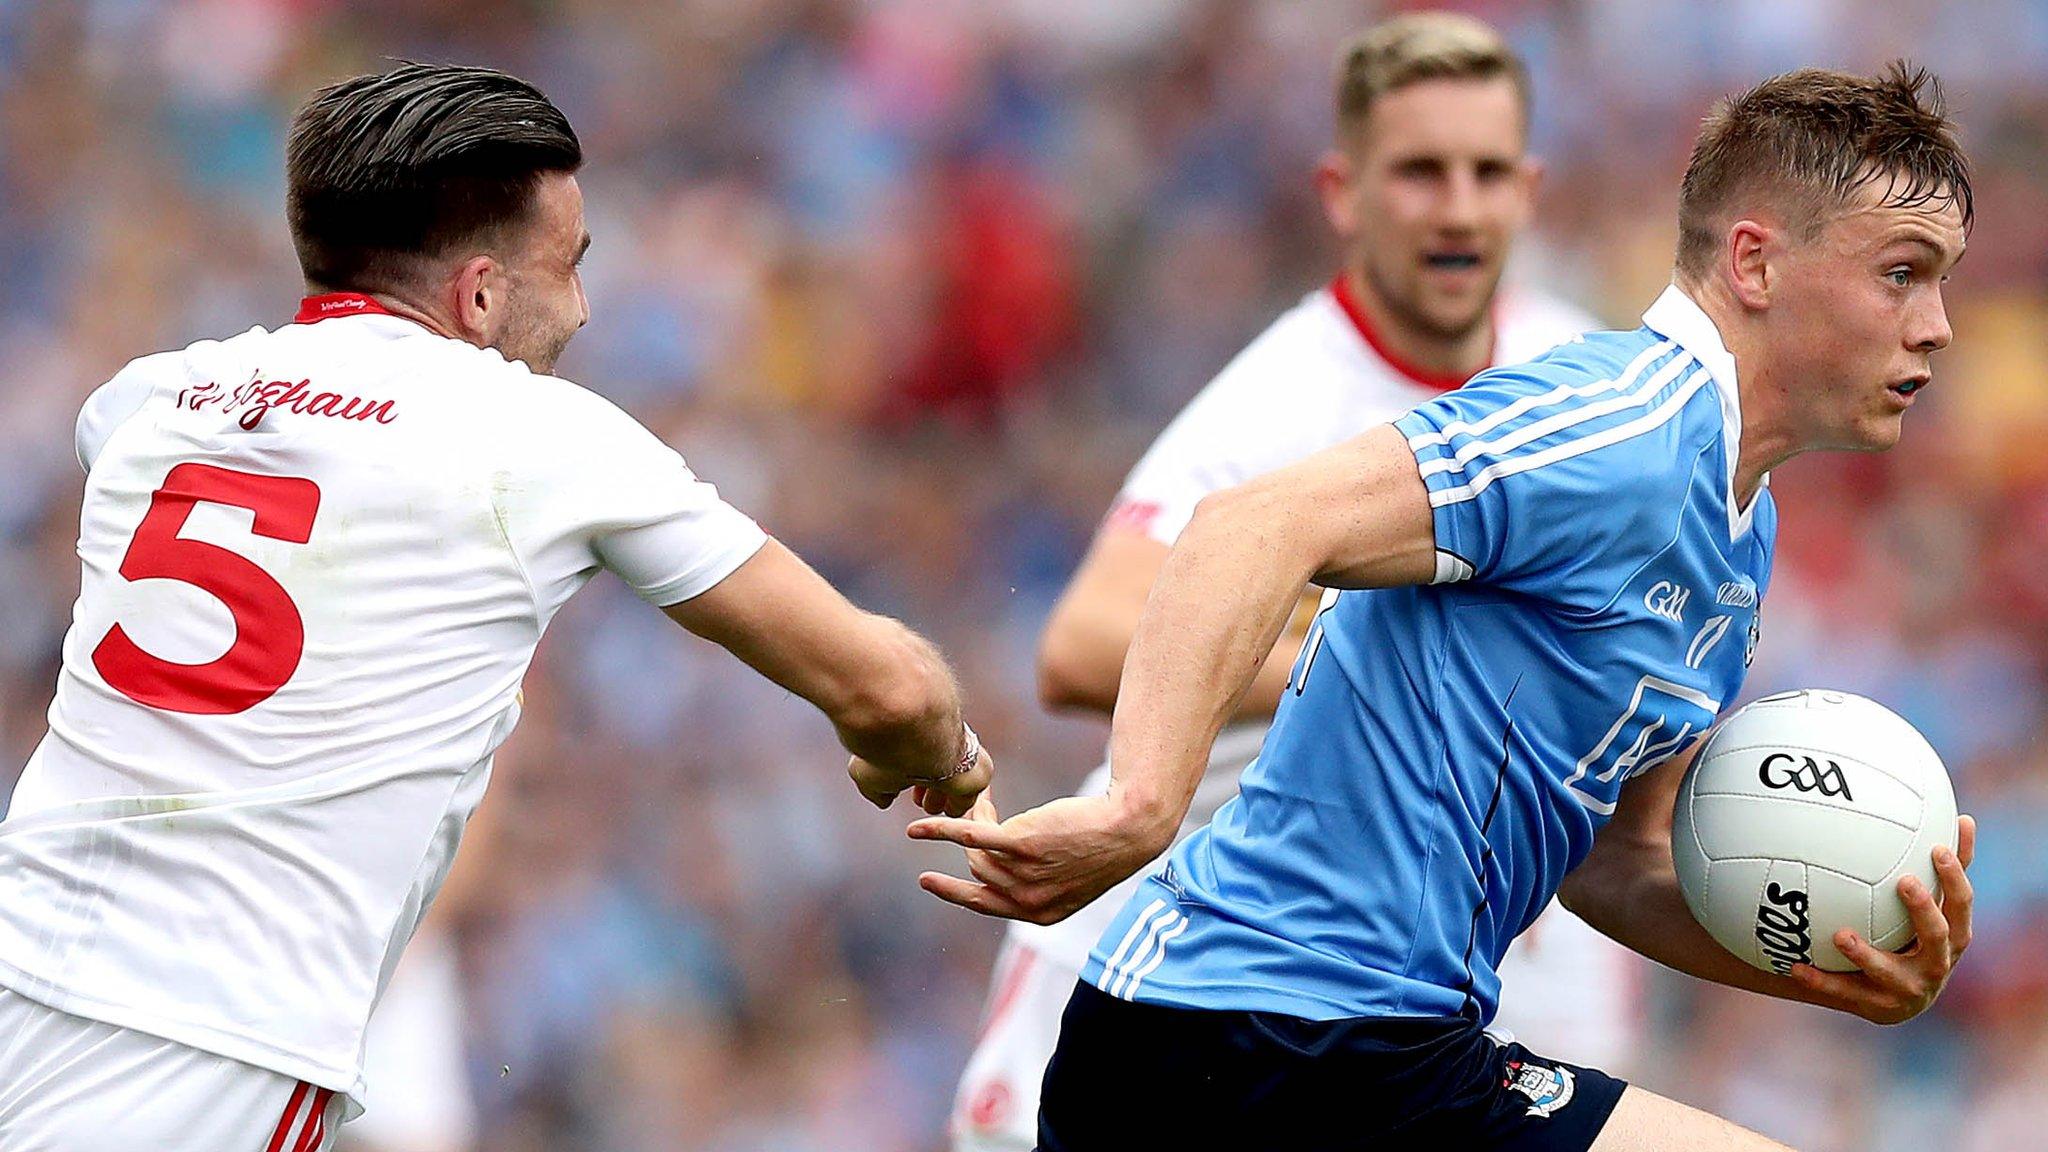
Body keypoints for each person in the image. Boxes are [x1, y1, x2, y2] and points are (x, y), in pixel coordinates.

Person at [913, 62, 1976, 1151]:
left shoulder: (1737, 533)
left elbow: (1614, 864)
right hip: (1233, 1040)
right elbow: (1250, 525)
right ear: (1753, 261)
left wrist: (1824, 963)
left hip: (1381, 1052)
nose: (1935, 325)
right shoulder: (1614, 424)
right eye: (1902, 273)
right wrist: (1141, 806)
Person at [0, 64, 991, 1151]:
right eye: (567, 267)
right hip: (212, 1034)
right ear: (477, 295)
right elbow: (886, 686)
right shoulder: (536, 439)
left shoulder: (148, 400)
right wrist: (939, 753)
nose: (582, 307)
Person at [945, 15, 1643, 1150]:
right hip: (1156, 981)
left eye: (1483, 173)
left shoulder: (1583, 386)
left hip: (1426, 984)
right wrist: (1381, 664)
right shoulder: (1279, 404)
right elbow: (1078, 645)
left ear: (1528, 188)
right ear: (1342, 192)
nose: (1456, 208)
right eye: (1418, 172)